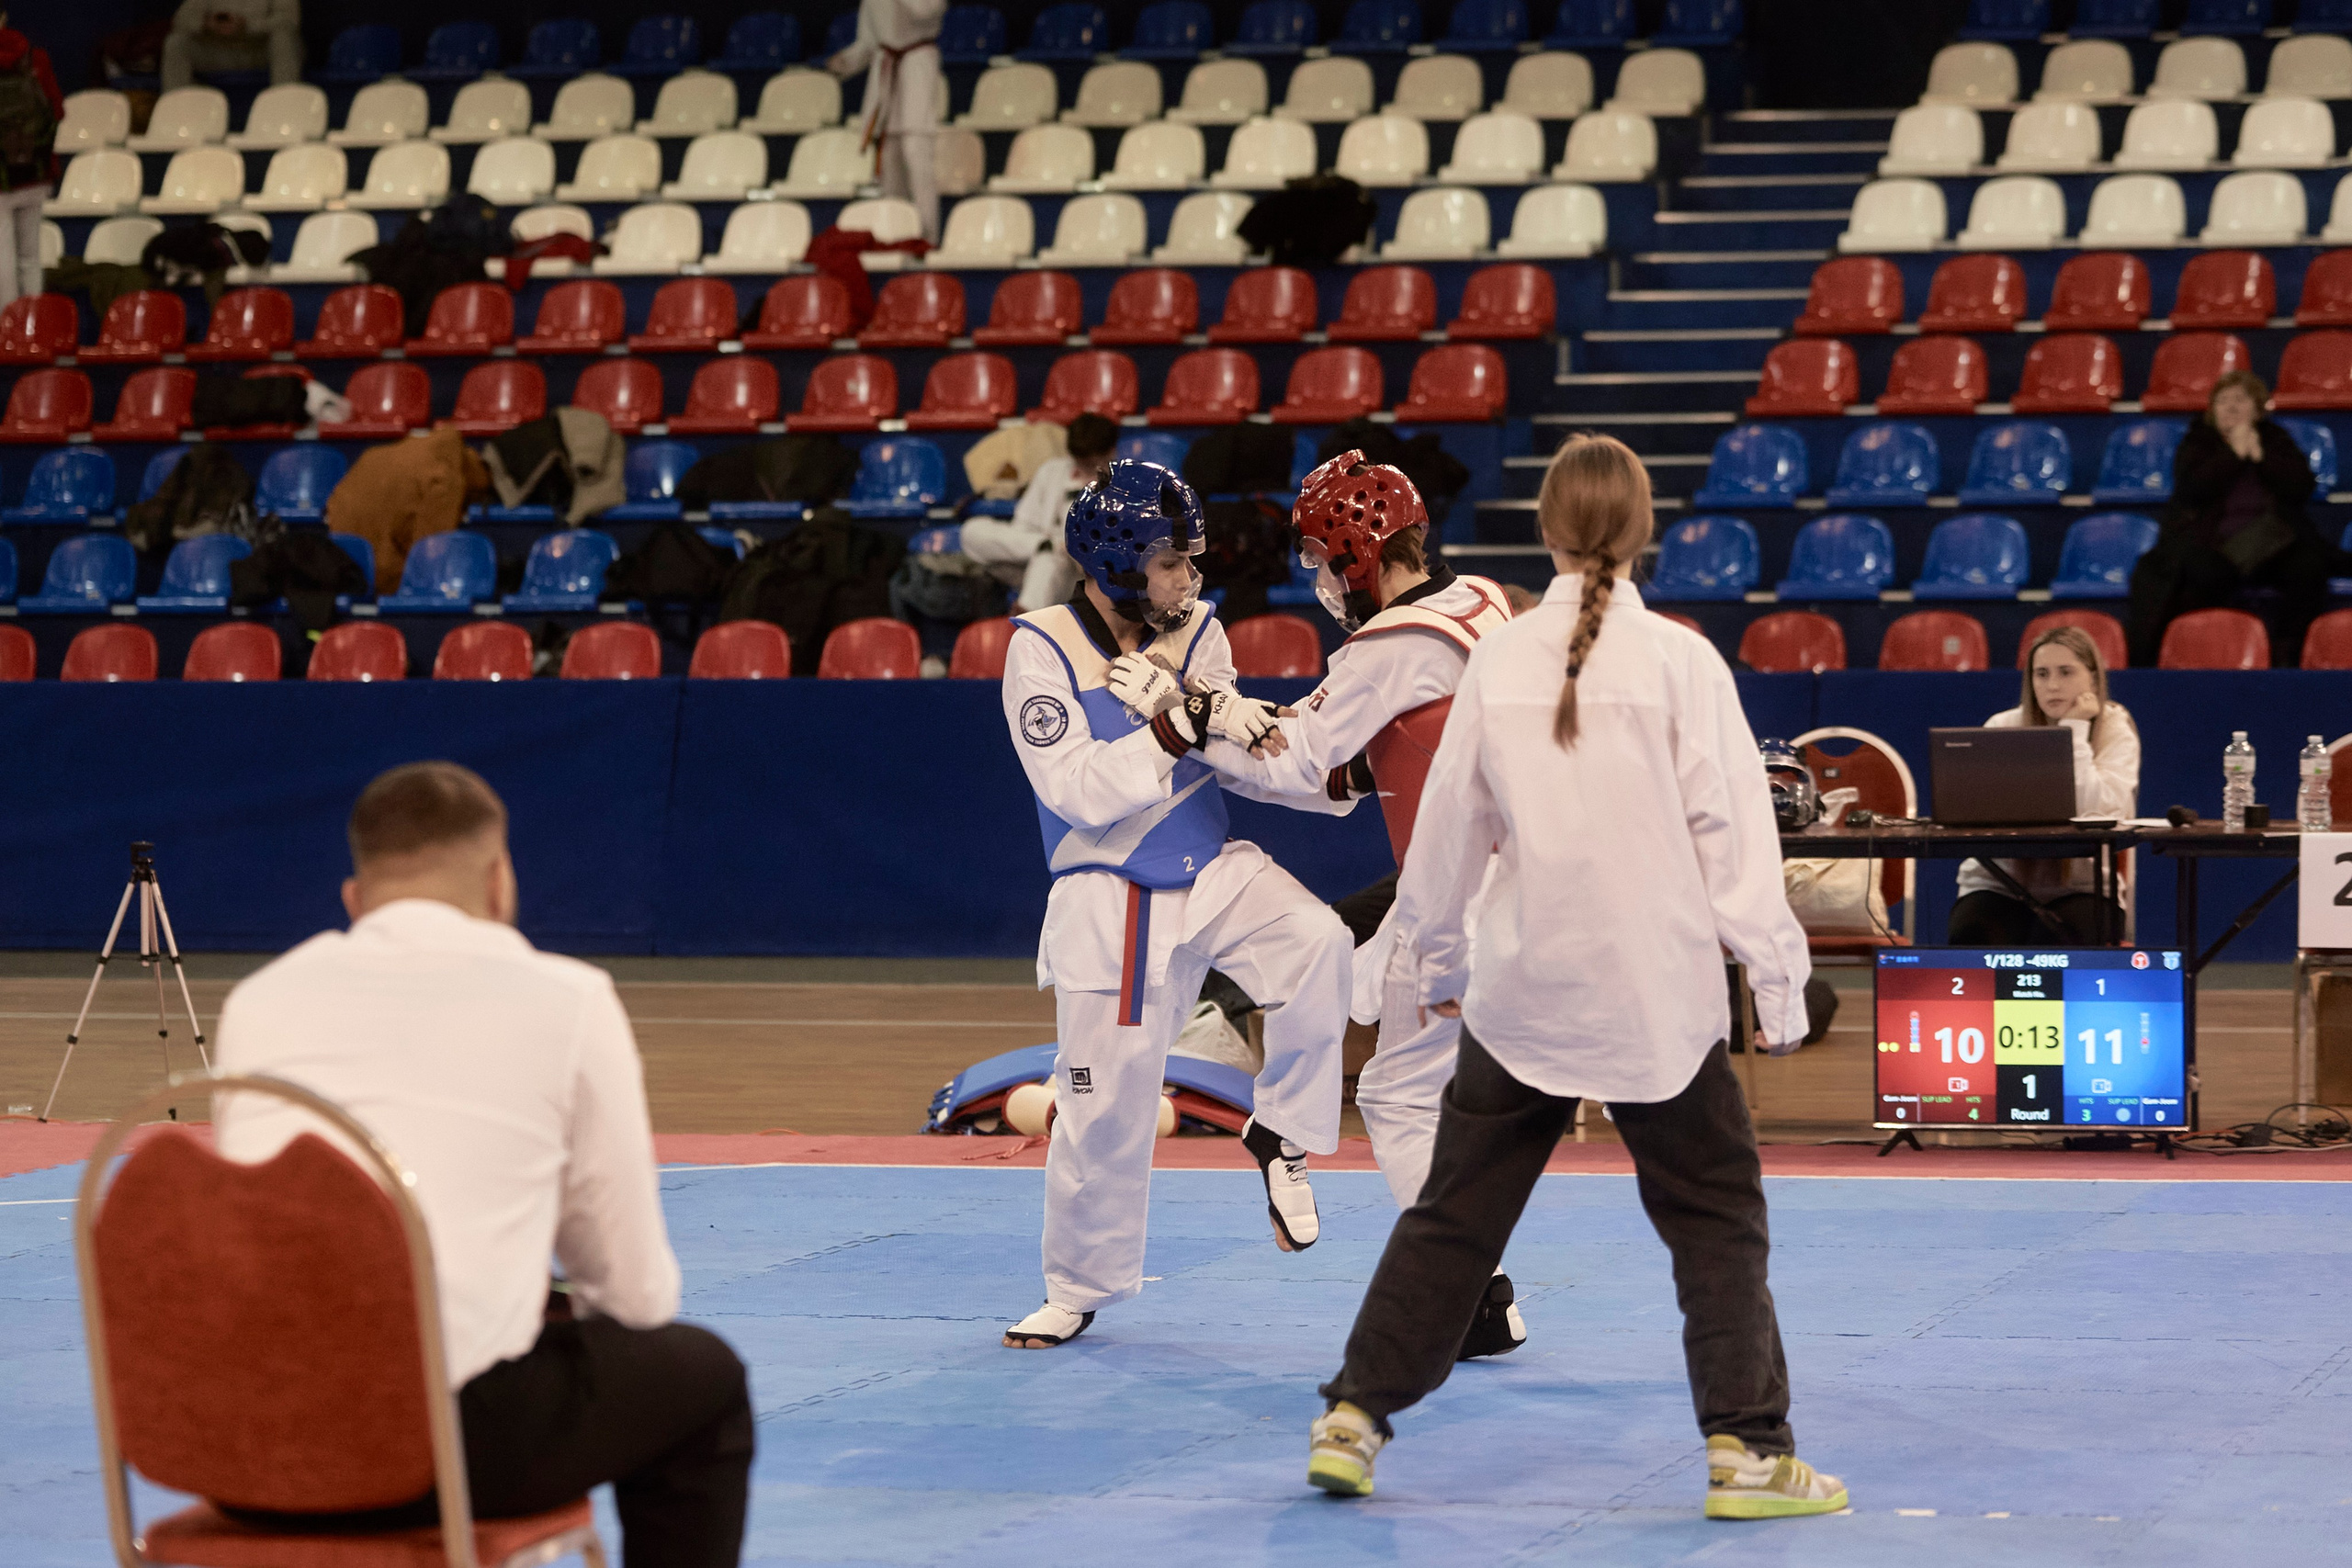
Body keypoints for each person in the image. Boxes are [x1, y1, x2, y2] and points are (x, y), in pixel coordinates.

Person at [1305, 435, 1847, 1523]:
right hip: (1653, 998)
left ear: (1547, 533)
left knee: (1453, 1217)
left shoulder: (1500, 659)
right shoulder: (1682, 662)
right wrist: (1779, 990)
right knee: (1717, 1218)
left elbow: (1447, 837)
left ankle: (1355, 1417)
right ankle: (1747, 1451)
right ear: (1643, 533)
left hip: (1522, 992)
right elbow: (1736, 842)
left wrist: (1438, 963)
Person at [213, 762, 752, 1568]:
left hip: (240, 1440)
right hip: (433, 1444)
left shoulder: (255, 1001)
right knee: (702, 1380)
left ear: (355, 899)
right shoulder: (566, 998)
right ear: (501, 883)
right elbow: (635, 1298)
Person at [998, 459, 1353, 1350]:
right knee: (1104, 1105)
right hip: (1105, 888)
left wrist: (1257, 733)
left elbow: (1221, 747)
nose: (1188, 581)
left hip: (1209, 864)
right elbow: (1076, 790)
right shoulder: (1038, 647)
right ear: (1117, 564)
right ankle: (1078, 1288)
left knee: (1318, 942)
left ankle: (1283, 1133)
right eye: (1171, 564)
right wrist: (1171, 727)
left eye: (1190, 563)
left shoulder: (1198, 629)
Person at [1210, 452, 1529, 1359]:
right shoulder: (1482, 604)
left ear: (1362, 554)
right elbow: (1339, 773)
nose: (1315, 580)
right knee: (1343, 980)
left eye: (1319, 560)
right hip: (1512, 884)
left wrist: (1188, 726)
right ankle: (1280, 1118)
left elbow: (1295, 763)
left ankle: (1474, 1300)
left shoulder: (1390, 647)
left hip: (1464, 903)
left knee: (1392, 1093)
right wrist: (1229, 726)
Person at [2127, 370, 2335, 668]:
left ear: (2258, 408)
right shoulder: (2198, 441)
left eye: (2240, 400)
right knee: (2198, 574)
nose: (2231, 407)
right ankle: (2209, 654)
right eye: (2223, 401)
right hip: (2214, 542)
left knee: (2310, 566)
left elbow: (2301, 488)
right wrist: (2233, 454)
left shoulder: (2274, 440)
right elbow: (2191, 491)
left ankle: (2289, 653)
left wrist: (2262, 457)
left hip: (2271, 542)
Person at [1948, 626, 2140, 946]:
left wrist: (2074, 730)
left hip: (2084, 889)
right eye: (2042, 674)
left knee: (2058, 939)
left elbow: (2098, 810)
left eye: (2066, 673)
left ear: (2092, 678)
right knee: (1973, 934)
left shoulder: (2114, 730)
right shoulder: (2002, 727)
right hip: (1999, 884)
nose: (2052, 685)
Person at [961, 412, 1113, 614]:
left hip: (1073, 572)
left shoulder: (1119, 487)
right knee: (972, 530)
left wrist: (1066, 547)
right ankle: (1047, 545)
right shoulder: (1051, 471)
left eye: (1092, 463)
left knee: (1049, 559)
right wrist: (1045, 543)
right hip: (1030, 555)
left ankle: (1026, 620)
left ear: (1111, 452)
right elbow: (1022, 526)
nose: (1085, 468)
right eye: (1080, 461)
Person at [829, 0, 944, 243]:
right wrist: (845, 62)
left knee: (916, 154)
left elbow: (926, 10)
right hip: (885, 71)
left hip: (917, 65)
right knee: (889, 162)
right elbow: (869, 43)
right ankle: (896, 238)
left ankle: (928, 241)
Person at [0, 13, 62, 313]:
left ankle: (7, 334)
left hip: (1, 177)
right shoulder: (35, 57)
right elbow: (57, 110)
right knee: (29, 256)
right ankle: (33, 327)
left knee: (2, 258)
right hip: (35, 170)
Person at [162, 0, 302, 90]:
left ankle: (285, 108)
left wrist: (248, 27)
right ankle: (178, 114)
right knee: (176, 42)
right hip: (220, 53)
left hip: (258, 51)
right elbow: (181, 20)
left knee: (284, 39)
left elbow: (289, 21)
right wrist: (207, 25)